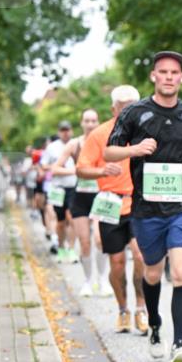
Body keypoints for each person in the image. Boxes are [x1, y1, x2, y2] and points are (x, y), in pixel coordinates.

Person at [105, 51, 182, 362]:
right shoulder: (135, 113)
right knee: (151, 272)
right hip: (146, 208)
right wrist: (134, 150)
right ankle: (155, 325)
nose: (168, 77)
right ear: (153, 76)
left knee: (180, 272)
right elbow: (110, 150)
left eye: (173, 72)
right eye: (162, 72)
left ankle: (180, 345)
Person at [78, 86, 151, 337]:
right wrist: (101, 171)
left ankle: (142, 308)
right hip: (110, 203)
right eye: (123, 105)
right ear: (113, 108)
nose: (129, 109)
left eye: (133, 103)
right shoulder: (99, 135)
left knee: (141, 256)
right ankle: (123, 310)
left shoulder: (147, 130)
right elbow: (81, 169)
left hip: (140, 202)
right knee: (117, 263)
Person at [53, 109, 112, 297]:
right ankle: (88, 281)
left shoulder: (106, 141)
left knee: (101, 240)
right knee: (85, 243)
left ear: (98, 122)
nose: (90, 124)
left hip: (102, 196)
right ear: (81, 123)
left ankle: (103, 280)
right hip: (81, 198)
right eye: (87, 120)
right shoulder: (74, 144)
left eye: (94, 120)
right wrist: (76, 171)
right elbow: (55, 168)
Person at [42, 122, 78, 262]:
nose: (65, 133)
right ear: (58, 132)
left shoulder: (77, 144)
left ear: (72, 131)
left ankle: (72, 249)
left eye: (67, 130)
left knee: (72, 218)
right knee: (61, 221)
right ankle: (61, 248)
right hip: (57, 187)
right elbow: (44, 165)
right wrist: (57, 167)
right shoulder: (52, 147)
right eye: (62, 130)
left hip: (73, 186)